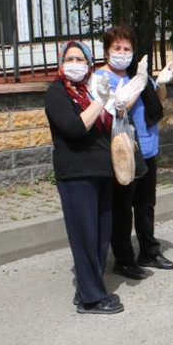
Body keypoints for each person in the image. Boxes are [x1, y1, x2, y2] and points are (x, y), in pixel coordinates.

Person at [44, 41, 124, 315]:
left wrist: (117, 103)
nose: (76, 63)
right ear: (61, 63)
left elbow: (108, 125)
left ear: (89, 64)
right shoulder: (57, 94)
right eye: (70, 58)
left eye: (81, 59)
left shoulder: (86, 92)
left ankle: (88, 290)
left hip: (101, 171)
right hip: (76, 173)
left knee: (101, 235)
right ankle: (92, 299)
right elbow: (75, 129)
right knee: (85, 235)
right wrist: (100, 101)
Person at [96, 26, 173, 280]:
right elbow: (118, 109)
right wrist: (139, 81)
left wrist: (161, 83)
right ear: (107, 51)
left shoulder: (135, 72)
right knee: (122, 209)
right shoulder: (102, 77)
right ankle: (123, 259)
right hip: (123, 152)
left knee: (145, 204)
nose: (122, 53)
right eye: (117, 48)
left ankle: (149, 251)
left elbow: (157, 101)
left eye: (127, 48)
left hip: (147, 148)